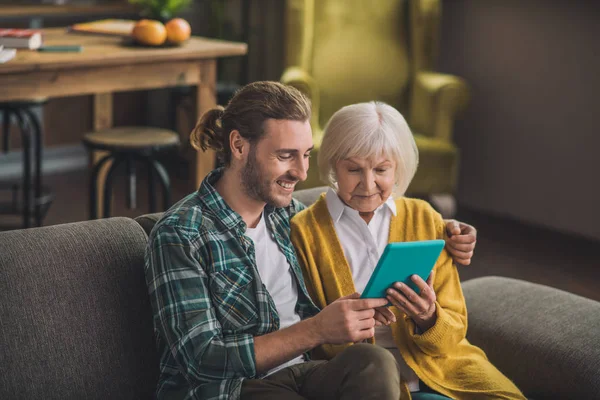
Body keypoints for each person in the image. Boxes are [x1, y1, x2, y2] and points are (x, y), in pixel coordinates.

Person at [145, 81, 477, 400]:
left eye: (306, 154)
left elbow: (360, 213)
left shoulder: (289, 217)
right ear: (239, 146)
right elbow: (201, 358)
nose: (302, 173)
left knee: (374, 363)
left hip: (303, 374)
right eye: (286, 155)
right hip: (232, 389)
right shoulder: (181, 233)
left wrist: (445, 227)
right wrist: (317, 330)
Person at [290, 101, 526, 400]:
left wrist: (428, 316)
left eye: (381, 169)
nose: (368, 183)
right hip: (368, 381)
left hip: (441, 368)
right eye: (353, 169)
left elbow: (454, 330)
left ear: (398, 167)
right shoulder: (304, 230)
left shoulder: (425, 217)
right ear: (333, 164)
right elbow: (305, 335)